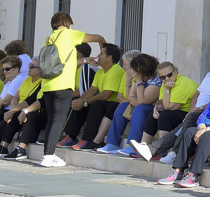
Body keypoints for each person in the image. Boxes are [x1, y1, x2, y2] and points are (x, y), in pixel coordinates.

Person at [38, 12, 107, 167]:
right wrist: (102, 41)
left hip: (48, 85)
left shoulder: (49, 39)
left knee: (51, 120)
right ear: (67, 23)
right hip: (62, 85)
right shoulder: (69, 34)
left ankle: (46, 154)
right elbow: (94, 37)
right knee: (58, 120)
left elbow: (62, 62)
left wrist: (83, 60)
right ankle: (49, 156)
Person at [62, 43, 124, 149]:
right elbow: (92, 90)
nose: (98, 56)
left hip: (112, 105)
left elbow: (105, 95)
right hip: (103, 104)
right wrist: (81, 100)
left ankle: (87, 139)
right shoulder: (100, 71)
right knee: (77, 101)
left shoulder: (116, 70)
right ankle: (70, 137)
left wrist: (85, 102)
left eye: (101, 53)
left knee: (97, 104)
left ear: (109, 58)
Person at [98, 53, 160, 156]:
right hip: (143, 105)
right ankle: (112, 143)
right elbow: (130, 98)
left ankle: (133, 145)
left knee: (140, 109)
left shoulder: (156, 80)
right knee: (122, 106)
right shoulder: (139, 78)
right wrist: (129, 81)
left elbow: (143, 100)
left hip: (154, 110)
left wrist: (139, 82)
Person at [1, 60, 42, 160]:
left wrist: (16, 110)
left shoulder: (42, 82)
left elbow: (32, 101)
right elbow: (16, 96)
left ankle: (20, 149)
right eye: (29, 65)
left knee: (14, 116)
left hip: (33, 111)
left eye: (32, 66)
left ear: (40, 69)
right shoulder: (27, 80)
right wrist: (14, 106)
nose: (29, 68)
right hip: (19, 108)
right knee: (8, 118)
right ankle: (3, 147)